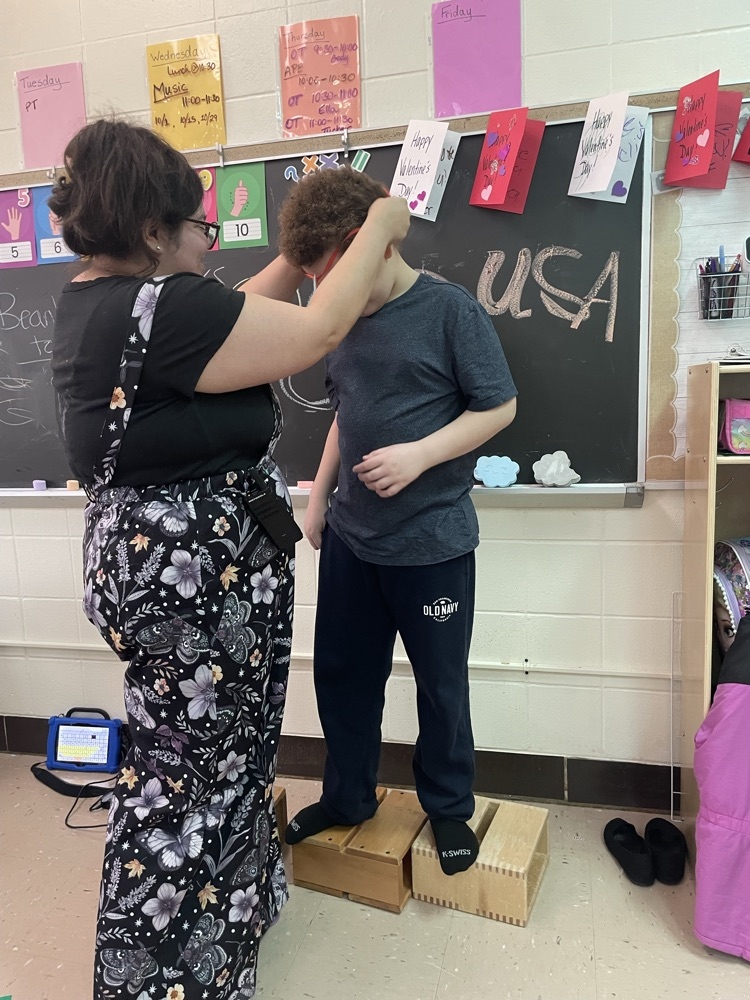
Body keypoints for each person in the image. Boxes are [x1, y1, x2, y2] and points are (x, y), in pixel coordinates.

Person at [50, 119, 409, 1000]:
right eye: (196, 225)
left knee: (219, 759)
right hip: (194, 578)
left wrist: (295, 253)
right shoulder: (169, 308)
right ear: (150, 233)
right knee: (188, 782)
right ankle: (163, 979)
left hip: (156, 563)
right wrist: (382, 224)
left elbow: (228, 309)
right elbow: (318, 329)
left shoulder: (102, 298)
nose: (206, 240)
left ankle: (226, 930)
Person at [279, 168, 517, 875]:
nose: (324, 291)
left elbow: (500, 406)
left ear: (368, 243)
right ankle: (349, 797)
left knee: (441, 686)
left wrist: (420, 455)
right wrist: (319, 495)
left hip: (432, 543)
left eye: (329, 271)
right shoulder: (341, 321)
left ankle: (448, 808)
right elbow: (343, 416)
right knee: (345, 678)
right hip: (353, 539)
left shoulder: (451, 312)